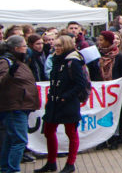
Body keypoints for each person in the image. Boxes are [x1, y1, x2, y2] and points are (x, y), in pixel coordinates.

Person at [34, 36, 85, 173]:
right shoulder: (55, 59)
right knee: (49, 131)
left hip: (67, 103)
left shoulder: (73, 62)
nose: (56, 48)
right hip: (54, 102)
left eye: (59, 46)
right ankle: (51, 162)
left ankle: (70, 163)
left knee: (71, 133)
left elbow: (80, 84)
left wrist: (65, 97)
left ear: (66, 46)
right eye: (55, 46)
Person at [0, 35, 40, 173]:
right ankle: (12, 169)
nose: (26, 49)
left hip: (19, 105)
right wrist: (9, 74)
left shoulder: (17, 61)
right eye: (24, 46)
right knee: (19, 141)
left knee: (11, 139)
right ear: (16, 48)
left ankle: (6, 168)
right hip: (14, 106)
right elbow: (2, 80)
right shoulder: (6, 62)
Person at [93, 31, 122, 151]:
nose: (100, 42)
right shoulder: (97, 55)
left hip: (114, 90)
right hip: (101, 89)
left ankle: (114, 137)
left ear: (108, 41)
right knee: (102, 113)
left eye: (102, 40)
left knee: (113, 113)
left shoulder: (119, 56)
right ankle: (102, 139)